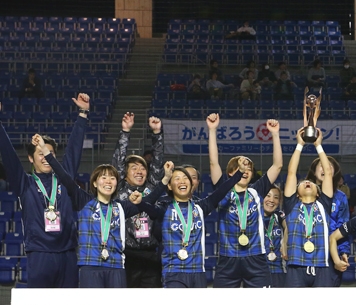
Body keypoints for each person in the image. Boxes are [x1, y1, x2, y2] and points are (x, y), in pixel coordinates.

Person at [32, 135, 171, 288]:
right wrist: (46, 152)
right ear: (95, 183)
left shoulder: (120, 207)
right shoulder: (84, 201)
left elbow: (148, 200)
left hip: (116, 265)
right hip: (90, 265)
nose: (108, 181)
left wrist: (165, 180)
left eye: (112, 178)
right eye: (103, 178)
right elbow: (63, 176)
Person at [0, 93, 90, 288]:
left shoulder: (64, 179)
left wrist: (83, 114)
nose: (44, 158)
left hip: (67, 254)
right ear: (31, 159)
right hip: (39, 254)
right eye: (39, 154)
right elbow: (8, 156)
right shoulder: (25, 183)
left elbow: (74, 150)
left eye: (48, 154)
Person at [145, 163, 246, 288]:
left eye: (185, 178)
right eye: (177, 178)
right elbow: (144, 204)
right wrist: (165, 178)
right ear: (170, 186)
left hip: (198, 271)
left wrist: (239, 173)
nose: (182, 181)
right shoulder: (164, 208)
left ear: (192, 184)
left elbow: (221, 191)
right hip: (173, 272)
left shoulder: (200, 207)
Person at [211, 117, 283, 288]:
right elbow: (213, 163)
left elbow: (278, 165)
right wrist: (212, 130)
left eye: (248, 168)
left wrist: (275, 135)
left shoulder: (257, 191)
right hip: (228, 257)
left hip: (256, 257)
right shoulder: (223, 191)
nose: (245, 171)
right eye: (239, 168)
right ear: (230, 173)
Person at [112, 112, 165, 288]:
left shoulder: (152, 187)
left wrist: (157, 134)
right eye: (134, 168)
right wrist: (125, 131)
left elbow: (157, 162)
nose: (140, 171)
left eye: (142, 168)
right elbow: (118, 161)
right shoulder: (119, 188)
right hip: (127, 255)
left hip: (151, 254)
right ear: (125, 174)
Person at [283, 128, 334, 287]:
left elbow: (328, 173)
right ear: (296, 193)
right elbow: (291, 173)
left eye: (311, 183)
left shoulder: (323, 204)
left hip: (321, 265)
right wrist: (299, 145)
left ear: (318, 193)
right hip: (296, 264)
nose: (307, 183)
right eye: (303, 183)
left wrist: (319, 145)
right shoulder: (292, 205)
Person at [305, 155, 350, 286]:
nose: (326, 167)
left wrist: (343, 251)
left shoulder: (341, 197)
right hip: (307, 253)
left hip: (331, 254)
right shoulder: (303, 194)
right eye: (322, 165)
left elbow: (343, 226)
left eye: (330, 166)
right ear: (314, 171)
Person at [263, 185, 287, 288]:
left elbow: (289, 228)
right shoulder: (254, 216)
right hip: (258, 271)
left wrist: (285, 244)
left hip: (278, 269)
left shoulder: (279, 215)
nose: (271, 200)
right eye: (268, 196)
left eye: (276, 197)